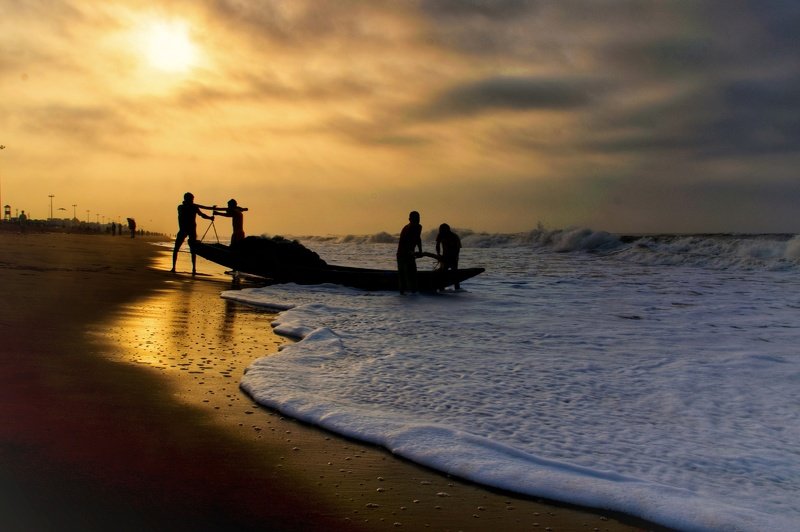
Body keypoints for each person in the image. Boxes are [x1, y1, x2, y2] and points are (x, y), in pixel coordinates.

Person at [171, 192, 215, 274]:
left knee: (193, 250)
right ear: (187, 199)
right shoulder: (181, 207)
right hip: (183, 229)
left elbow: (202, 215)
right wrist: (193, 206)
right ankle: (174, 267)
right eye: (191, 199)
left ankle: (194, 269)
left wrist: (209, 218)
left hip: (191, 230)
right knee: (176, 248)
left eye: (192, 199)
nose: (192, 200)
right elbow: (199, 214)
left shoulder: (192, 207)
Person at [396, 210, 423, 294]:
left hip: (410, 253)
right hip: (402, 254)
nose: (417, 220)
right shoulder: (408, 228)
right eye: (415, 219)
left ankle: (414, 292)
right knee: (403, 275)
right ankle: (402, 293)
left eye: (418, 218)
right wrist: (409, 252)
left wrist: (420, 250)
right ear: (410, 219)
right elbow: (405, 242)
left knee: (413, 273)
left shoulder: (419, 227)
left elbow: (418, 239)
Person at [435, 223, 462, 290]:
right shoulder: (440, 235)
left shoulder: (454, 237)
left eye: (442, 230)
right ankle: (441, 289)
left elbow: (457, 249)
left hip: (453, 258)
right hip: (444, 257)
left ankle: (457, 289)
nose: (440, 231)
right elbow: (437, 245)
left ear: (447, 230)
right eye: (440, 230)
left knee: (454, 274)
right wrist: (438, 254)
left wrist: (453, 257)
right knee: (442, 273)